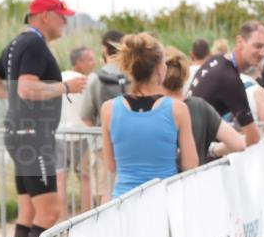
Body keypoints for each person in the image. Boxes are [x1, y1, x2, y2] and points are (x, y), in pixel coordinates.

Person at [0, 0, 88, 237]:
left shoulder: (18, 42)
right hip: (33, 136)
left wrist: (16, 96)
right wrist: (65, 87)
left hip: (20, 133)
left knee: (28, 212)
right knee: (50, 213)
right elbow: (27, 88)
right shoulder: (35, 44)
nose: (66, 21)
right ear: (44, 16)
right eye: (62, 15)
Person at [100, 34, 197, 198]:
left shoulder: (108, 109)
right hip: (163, 200)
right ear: (160, 69)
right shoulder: (177, 109)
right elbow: (190, 164)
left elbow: (111, 165)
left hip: (123, 201)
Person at [187, 21, 264, 146]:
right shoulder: (230, 79)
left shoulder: (216, 60)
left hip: (190, 144)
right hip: (198, 153)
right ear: (240, 42)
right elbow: (253, 138)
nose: (263, 53)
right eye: (257, 46)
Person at [162, 46, 245, 164]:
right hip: (197, 179)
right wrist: (210, 150)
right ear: (185, 75)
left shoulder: (154, 110)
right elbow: (238, 144)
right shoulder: (200, 106)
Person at [56, 47, 96, 218]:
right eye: (90, 59)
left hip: (59, 133)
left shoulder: (58, 79)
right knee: (85, 179)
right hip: (82, 134)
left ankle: (62, 221)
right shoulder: (88, 81)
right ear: (79, 62)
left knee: (60, 180)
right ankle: (85, 218)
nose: (94, 63)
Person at [79, 30, 127, 127]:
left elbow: (85, 116)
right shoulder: (137, 76)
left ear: (104, 49)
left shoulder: (95, 79)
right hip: (132, 138)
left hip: (102, 138)